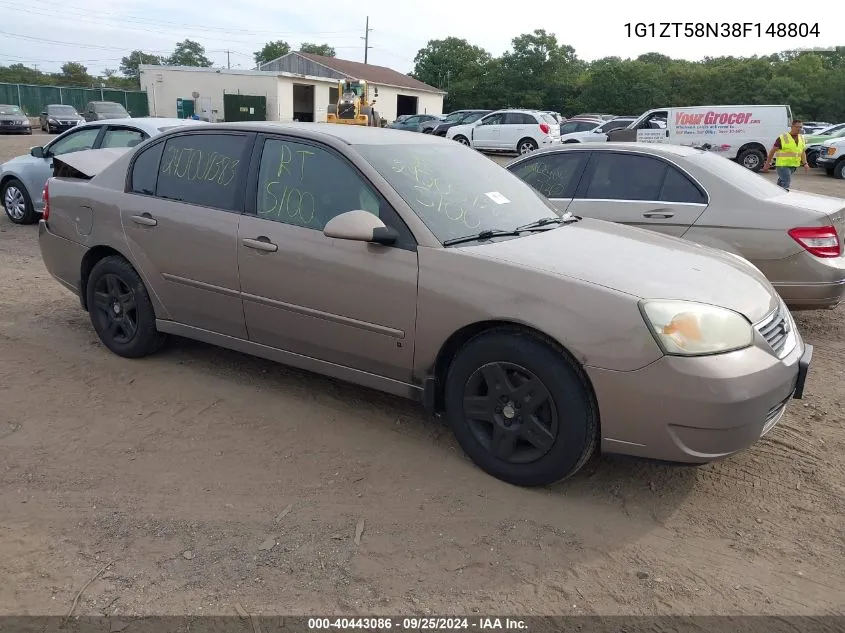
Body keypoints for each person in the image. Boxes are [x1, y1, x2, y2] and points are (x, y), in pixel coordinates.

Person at [762, 119, 808, 191]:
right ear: (792, 127)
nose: (799, 129)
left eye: (800, 127)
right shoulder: (783, 137)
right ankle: (784, 198)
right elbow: (772, 151)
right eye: (797, 127)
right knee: (786, 182)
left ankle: (775, 193)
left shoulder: (801, 138)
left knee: (781, 181)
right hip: (782, 165)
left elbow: (802, 152)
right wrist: (767, 163)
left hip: (793, 165)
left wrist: (805, 163)